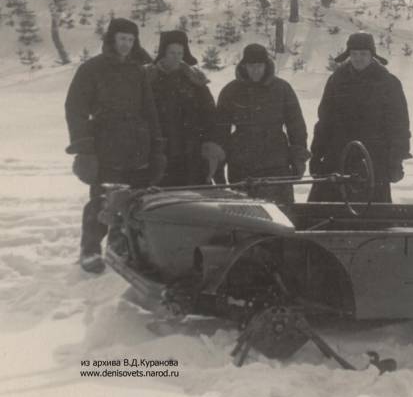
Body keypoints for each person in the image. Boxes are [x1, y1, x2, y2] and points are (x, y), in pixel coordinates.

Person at [65, 17, 165, 273]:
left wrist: (157, 145)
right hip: (106, 145)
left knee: (132, 199)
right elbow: (75, 108)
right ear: (112, 39)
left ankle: (119, 247)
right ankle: (90, 250)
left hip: (137, 145)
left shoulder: (138, 71)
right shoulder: (92, 68)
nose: (126, 45)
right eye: (122, 39)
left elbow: (150, 110)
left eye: (131, 40)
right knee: (103, 199)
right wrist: (85, 148)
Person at [308, 32, 411, 203]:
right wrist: (316, 155)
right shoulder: (336, 80)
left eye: (363, 54)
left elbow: (399, 125)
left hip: (373, 158)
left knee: (371, 216)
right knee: (326, 211)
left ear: (372, 55)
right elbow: (324, 121)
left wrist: (396, 160)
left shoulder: (388, 82)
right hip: (337, 156)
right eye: (354, 54)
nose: (358, 59)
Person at [212, 43, 309, 205]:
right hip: (241, 166)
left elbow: (296, 127)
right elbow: (220, 131)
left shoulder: (282, 89)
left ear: (266, 65)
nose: (255, 70)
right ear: (244, 66)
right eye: (251, 65)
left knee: (282, 214)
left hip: (277, 165)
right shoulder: (231, 91)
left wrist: (298, 158)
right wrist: (218, 165)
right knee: (246, 218)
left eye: (259, 65)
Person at [145, 30, 225, 186]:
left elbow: (209, 115)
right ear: (163, 53)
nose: (176, 57)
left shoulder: (194, 80)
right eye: (172, 52)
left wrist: (211, 143)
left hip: (191, 152)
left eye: (180, 53)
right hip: (157, 152)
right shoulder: (148, 79)